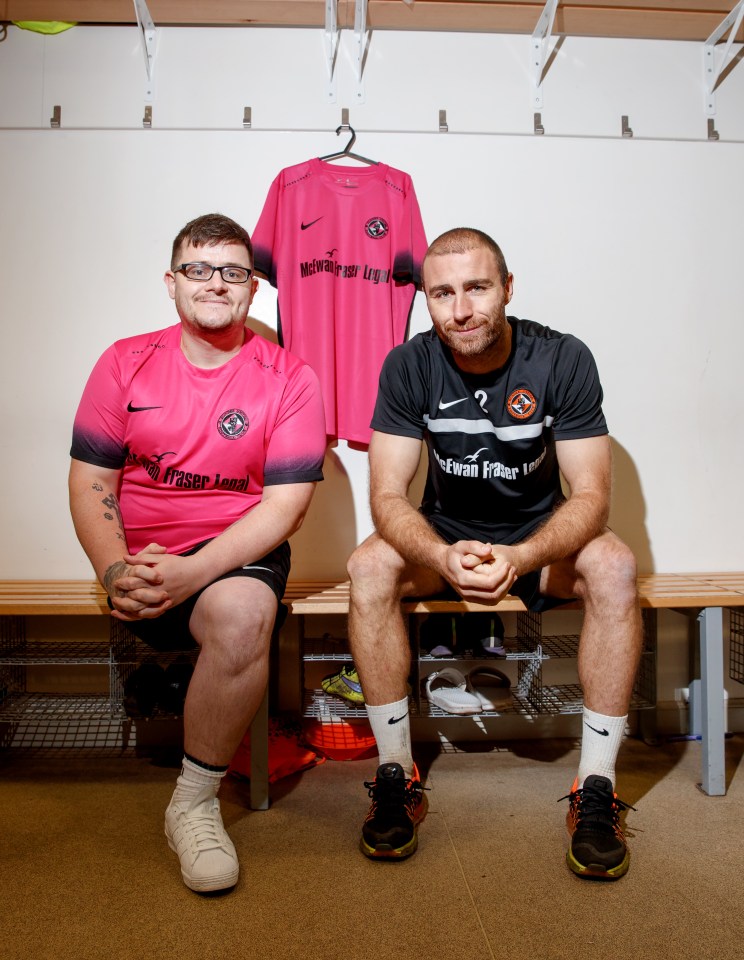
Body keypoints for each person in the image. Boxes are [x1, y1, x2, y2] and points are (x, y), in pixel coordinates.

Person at [346, 227, 641, 880]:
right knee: (367, 566)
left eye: (477, 288)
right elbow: (388, 498)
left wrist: (527, 556)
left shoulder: (562, 358)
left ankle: (595, 788)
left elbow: (590, 497)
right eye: (442, 293)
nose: (461, 309)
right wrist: (442, 555)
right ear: (426, 299)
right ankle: (396, 773)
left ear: (507, 289)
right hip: (445, 531)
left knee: (615, 566)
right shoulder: (408, 365)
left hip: (541, 531)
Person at [69, 213, 326, 894]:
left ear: (254, 287)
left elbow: (285, 505)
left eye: (233, 271)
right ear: (172, 282)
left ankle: (193, 802)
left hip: (234, 554)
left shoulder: (289, 376)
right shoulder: (123, 361)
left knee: (243, 614)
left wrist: (195, 571)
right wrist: (115, 568)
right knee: (158, 580)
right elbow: (92, 479)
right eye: (199, 269)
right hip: (140, 555)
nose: (216, 283)